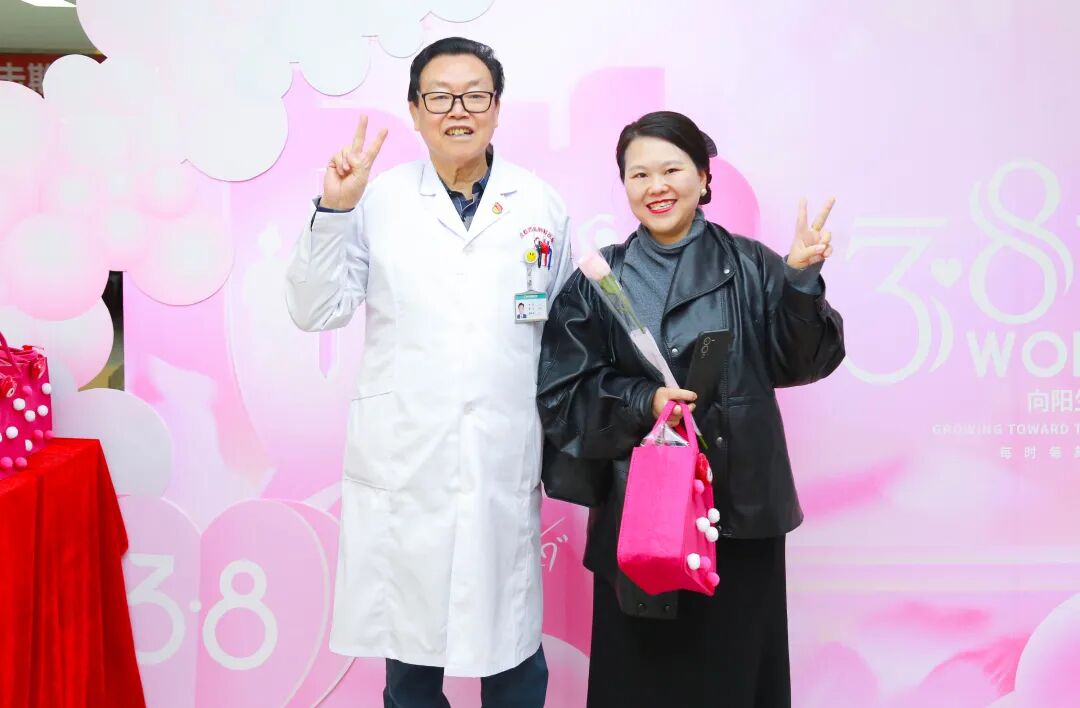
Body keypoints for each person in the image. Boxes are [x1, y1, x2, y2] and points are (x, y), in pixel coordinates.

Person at [285, 37, 571, 708]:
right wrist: (334, 209)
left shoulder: (539, 204)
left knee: (511, 649)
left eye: (474, 95)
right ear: (415, 111)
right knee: (410, 657)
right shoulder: (375, 199)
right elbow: (315, 309)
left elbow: (564, 333)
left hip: (499, 452)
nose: (458, 111)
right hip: (406, 456)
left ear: (497, 107)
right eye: (439, 97)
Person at [536, 110, 845, 707]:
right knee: (642, 685)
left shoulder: (754, 267)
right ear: (624, 185)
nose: (657, 186)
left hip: (738, 516)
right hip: (639, 520)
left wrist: (800, 282)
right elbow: (562, 394)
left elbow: (805, 361)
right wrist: (641, 401)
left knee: (733, 679)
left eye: (672, 169)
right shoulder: (599, 279)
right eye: (639, 174)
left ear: (704, 178)